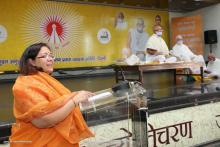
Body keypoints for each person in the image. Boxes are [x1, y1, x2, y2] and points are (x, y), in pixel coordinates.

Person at [10, 43, 94, 147]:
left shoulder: (48, 81)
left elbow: (60, 108)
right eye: (44, 56)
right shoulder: (25, 84)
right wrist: (74, 101)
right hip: (38, 142)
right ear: (32, 62)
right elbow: (42, 121)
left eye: (51, 55)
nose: (50, 59)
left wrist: (79, 101)